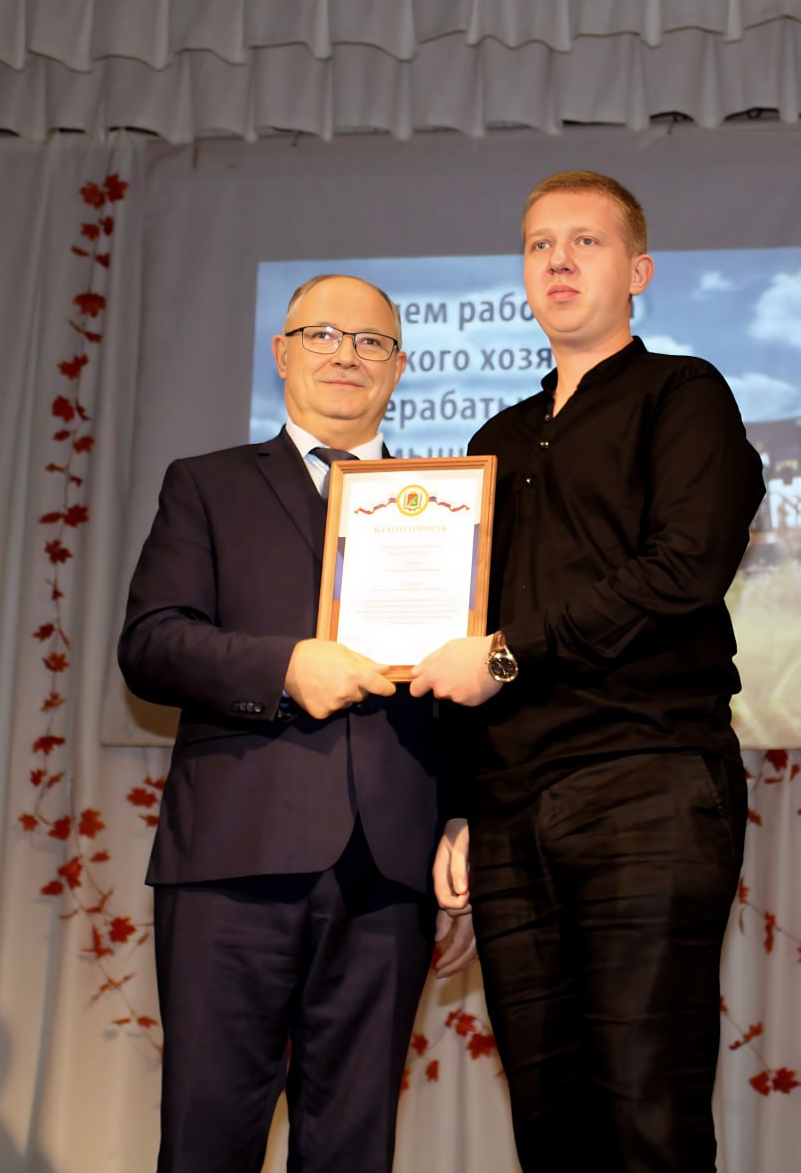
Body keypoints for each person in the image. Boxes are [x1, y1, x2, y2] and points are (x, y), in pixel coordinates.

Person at [411, 172, 765, 1171]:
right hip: (510, 808)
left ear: (637, 272)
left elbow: (682, 567)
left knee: (646, 1116)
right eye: (538, 244)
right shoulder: (490, 442)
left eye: (585, 241)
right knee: (551, 1127)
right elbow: (469, 629)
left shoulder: (683, 394)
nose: (557, 261)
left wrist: (508, 654)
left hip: (645, 782)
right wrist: (459, 806)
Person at [119, 274, 475, 1173]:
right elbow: (152, 645)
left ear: (400, 367)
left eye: (371, 342)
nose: (347, 356)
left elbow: (468, 688)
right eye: (323, 335)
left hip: (390, 870)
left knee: (354, 1148)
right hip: (232, 860)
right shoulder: (206, 485)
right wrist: (285, 668)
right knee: (207, 1139)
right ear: (281, 353)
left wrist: (466, 818)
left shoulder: (446, 506)